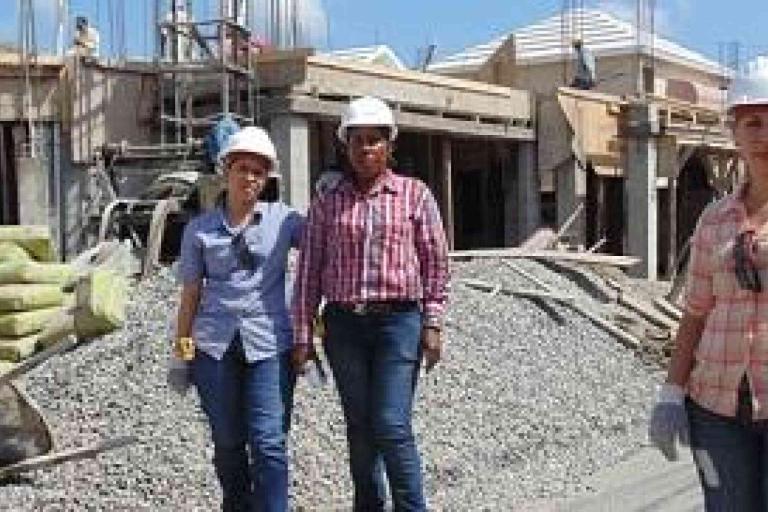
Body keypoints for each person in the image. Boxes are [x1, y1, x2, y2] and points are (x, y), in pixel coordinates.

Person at [292, 96, 450, 511]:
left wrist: (432, 324)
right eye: (357, 140)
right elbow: (309, 270)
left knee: (391, 424)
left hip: (398, 324)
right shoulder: (328, 201)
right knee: (360, 428)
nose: (365, 148)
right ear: (346, 146)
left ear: (389, 146)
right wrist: (303, 335)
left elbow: (436, 263)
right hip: (344, 327)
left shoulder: (414, 196)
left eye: (374, 140)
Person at [649, 57, 768, 511]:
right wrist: (671, 395)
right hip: (716, 410)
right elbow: (695, 314)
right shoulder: (715, 221)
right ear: (734, 133)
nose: (762, 136)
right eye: (751, 122)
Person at [173, 126, 303, 512]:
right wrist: (182, 353)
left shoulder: (285, 221)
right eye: (242, 167)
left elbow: (329, 245)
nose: (250, 177)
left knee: (268, 442)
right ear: (225, 170)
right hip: (214, 348)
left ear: (268, 178)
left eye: (259, 171)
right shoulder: (199, 231)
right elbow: (191, 295)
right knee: (228, 442)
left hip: (269, 345)